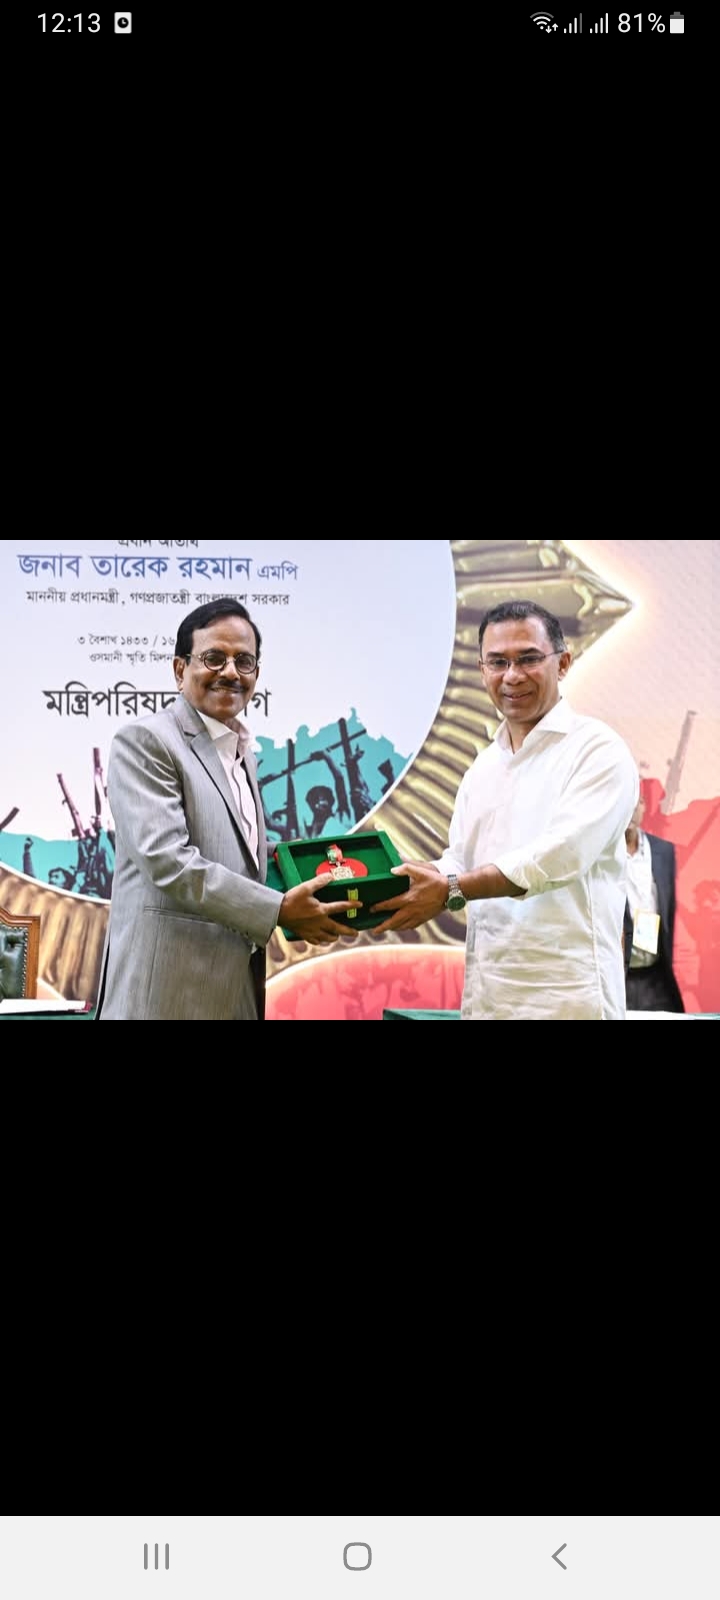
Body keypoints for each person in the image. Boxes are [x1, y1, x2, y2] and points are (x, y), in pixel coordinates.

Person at [371, 600, 639, 1021]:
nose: (512, 675)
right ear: (482, 671)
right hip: (490, 997)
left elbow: (558, 856)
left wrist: (450, 888)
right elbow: (460, 861)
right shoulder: (483, 767)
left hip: (570, 999)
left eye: (528, 659)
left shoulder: (597, 750)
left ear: (563, 663)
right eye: (497, 662)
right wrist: (394, 880)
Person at [95, 599, 358, 1021]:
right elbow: (169, 861)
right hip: (165, 996)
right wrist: (278, 910)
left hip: (234, 989)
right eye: (214, 658)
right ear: (180, 669)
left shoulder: (240, 751)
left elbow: (238, 853)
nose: (231, 672)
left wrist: (309, 869)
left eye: (244, 661)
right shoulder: (147, 741)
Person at [624, 791, 684, 1013]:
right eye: (624, 800)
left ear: (643, 805)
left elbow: (668, 910)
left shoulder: (664, 851)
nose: (631, 809)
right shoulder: (602, 856)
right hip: (620, 976)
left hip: (657, 976)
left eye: (636, 801)